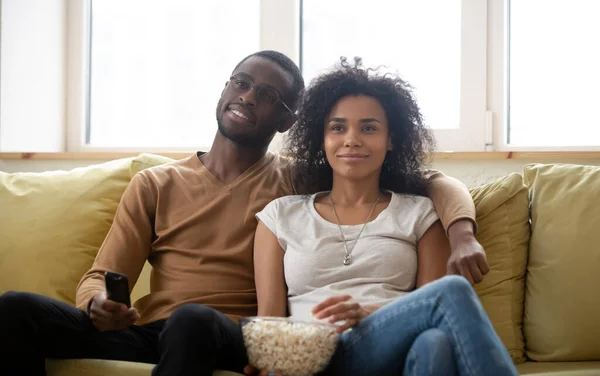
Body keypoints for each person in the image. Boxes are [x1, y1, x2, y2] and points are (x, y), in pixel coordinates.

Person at [0, 51, 487, 376]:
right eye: (242, 82)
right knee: (14, 309)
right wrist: (97, 304)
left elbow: (432, 183)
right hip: (154, 331)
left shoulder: (297, 183)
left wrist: (462, 232)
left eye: (268, 95)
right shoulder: (156, 183)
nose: (249, 96)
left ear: (289, 120)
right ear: (225, 86)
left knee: (192, 320)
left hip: (231, 331)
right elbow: (101, 275)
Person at [251, 58, 517, 376]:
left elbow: (428, 306)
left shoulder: (418, 213)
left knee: (434, 342)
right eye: (337, 127)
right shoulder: (280, 215)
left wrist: (364, 313)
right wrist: (269, 361)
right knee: (453, 291)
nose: (352, 139)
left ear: (391, 139)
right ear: (322, 139)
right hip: (315, 353)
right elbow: (269, 318)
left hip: (390, 347)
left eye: (369, 128)